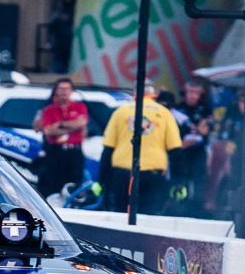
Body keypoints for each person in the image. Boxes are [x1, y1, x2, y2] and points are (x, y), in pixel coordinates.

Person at [99, 80, 183, 215]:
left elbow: (108, 149)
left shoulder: (120, 112)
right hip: (152, 176)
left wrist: (102, 181)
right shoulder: (165, 113)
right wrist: (178, 182)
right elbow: (175, 151)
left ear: (134, 93)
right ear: (153, 93)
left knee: (121, 216)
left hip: (124, 174)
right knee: (148, 216)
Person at [37, 77, 88, 201]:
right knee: (53, 184)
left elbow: (82, 123)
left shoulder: (79, 106)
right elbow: (48, 130)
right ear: (57, 91)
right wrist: (72, 126)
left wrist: (59, 125)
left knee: (74, 185)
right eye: (61, 89)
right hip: (56, 151)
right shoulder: (49, 109)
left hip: (74, 151)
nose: (64, 91)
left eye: (67, 89)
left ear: (72, 91)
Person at [175, 80, 213, 217]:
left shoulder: (205, 109)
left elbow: (204, 130)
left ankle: (196, 211)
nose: (192, 96)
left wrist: (192, 135)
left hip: (197, 153)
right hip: (180, 154)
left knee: (198, 182)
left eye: (196, 93)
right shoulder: (177, 108)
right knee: (179, 181)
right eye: (190, 92)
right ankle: (177, 208)